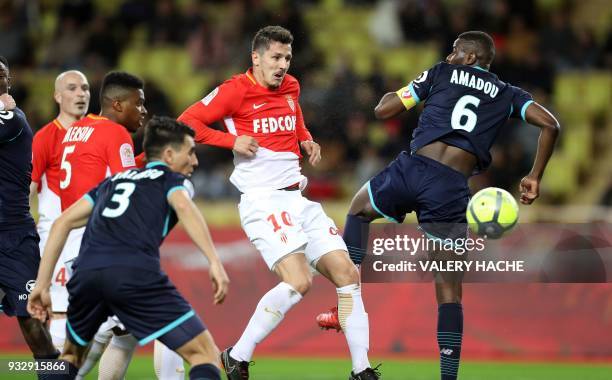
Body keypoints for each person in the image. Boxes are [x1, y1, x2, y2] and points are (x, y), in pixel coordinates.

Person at [315, 31, 560, 380]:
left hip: (412, 170)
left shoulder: (440, 73)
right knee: (448, 288)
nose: (450, 56)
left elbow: (384, 109)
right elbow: (551, 124)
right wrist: (534, 176)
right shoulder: (508, 95)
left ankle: (346, 302)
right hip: (450, 188)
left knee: (358, 210)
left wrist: (405, 88)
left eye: (456, 52)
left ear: (472, 57)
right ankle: (448, 377)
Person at [178, 25, 380, 380]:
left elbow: (294, 115)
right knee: (299, 281)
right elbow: (186, 123)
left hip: (297, 199)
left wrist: (306, 138)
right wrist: (231, 142)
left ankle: (361, 371)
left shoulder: (291, 86)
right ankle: (238, 356)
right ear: (255, 58)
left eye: (287, 57)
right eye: (275, 57)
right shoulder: (233, 90)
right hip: (263, 202)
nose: (283, 64)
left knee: (349, 274)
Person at [28, 116, 230, 380]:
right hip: (133, 272)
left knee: (70, 359)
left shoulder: (113, 182)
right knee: (205, 356)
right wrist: (214, 261)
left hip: (86, 274)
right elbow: (183, 205)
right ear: (169, 155)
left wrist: (42, 285)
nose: (195, 161)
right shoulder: (171, 180)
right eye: (190, 152)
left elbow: (61, 223)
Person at [55, 70, 146, 379]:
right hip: (98, 244)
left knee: (123, 329)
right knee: (163, 323)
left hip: (74, 239)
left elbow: (98, 176)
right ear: (117, 104)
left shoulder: (76, 129)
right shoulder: (116, 134)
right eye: (139, 103)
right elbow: (127, 187)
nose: (143, 111)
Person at [0, 55, 60, 377]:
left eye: (2, 74)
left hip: (12, 236)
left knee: (32, 323)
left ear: (8, 81)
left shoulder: (12, 115)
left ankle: (55, 373)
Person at [30, 70, 90, 352]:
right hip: (58, 238)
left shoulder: (97, 134)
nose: (80, 94)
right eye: (72, 88)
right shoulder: (44, 137)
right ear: (57, 96)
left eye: (85, 88)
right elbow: (28, 186)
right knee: (60, 313)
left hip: (90, 235)